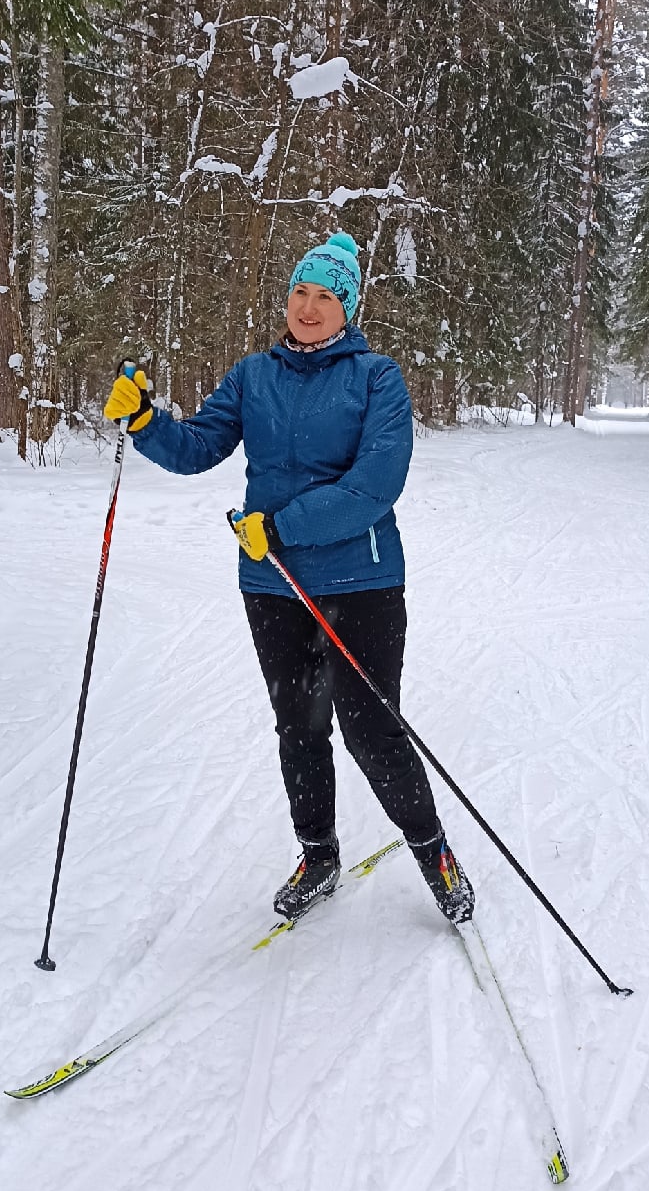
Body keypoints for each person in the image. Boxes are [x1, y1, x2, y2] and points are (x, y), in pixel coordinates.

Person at [103, 231, 474, 925]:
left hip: (359, 582)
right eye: (300, 292)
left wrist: (279, 526)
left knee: (372, 729)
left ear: (348, 308)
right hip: (271, 585)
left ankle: (433, 852)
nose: (309, 306)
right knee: (298, 727)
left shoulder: (376, 377)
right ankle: (318, 854)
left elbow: (374, 486)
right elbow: (199, 448)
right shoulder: (252, 375)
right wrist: (146, 421)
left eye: (326, 296)